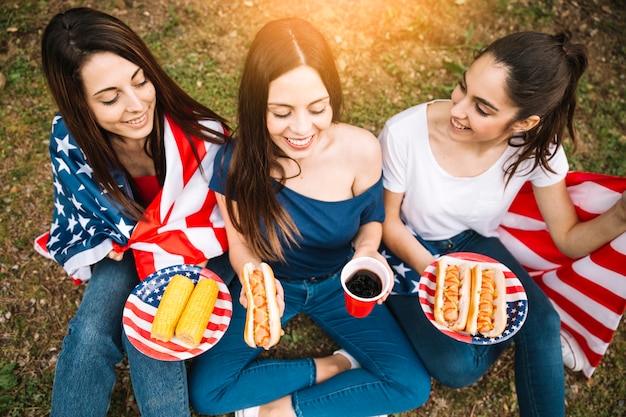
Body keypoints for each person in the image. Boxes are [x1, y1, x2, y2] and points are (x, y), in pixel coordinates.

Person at [188, 17, 430, 417]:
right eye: (281, 112)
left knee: (411, 385)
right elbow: (241, 244)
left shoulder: (362, 149)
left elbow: (371, 214)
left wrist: (368, 251)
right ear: (256, 106)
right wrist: (253, 276)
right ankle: (337, 365)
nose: (302, 129)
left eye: (317, 108)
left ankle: (281, 410)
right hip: (274, 286)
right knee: (209, 394)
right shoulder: (235, 162)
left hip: (340, 285)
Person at [379, 30, 626, 417]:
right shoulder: (404, 133)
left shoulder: (535, 149)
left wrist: (620, 216)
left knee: (543, 322)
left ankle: (512, 335)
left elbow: (568, 239)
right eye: (462, 87)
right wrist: (444, 279)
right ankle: (495, 333)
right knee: (458, 369)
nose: (458, 109)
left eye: (482, 107)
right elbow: (387, 223)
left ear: (524, 123)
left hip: (475, 242)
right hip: (411, 248)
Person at [37, 7, 235, 417]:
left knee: (148, 341)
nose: (136, 104)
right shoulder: (70, 141)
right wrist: (104, 238)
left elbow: (229, 216)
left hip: (198, 243)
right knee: (90, 334)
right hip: (128, 244)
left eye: (140, 80)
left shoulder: (202, 135)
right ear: (79, 105)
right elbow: (79, 212)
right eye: (109, 98)